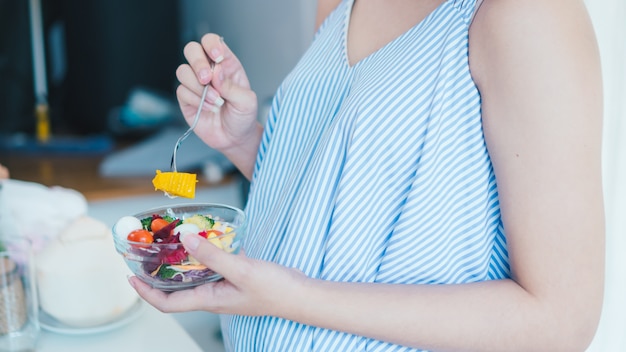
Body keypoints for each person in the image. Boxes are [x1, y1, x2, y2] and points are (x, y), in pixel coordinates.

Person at [129, 0, 605, 350]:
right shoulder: (337, 4)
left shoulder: (529, 14)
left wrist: (293, 299)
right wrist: (243, 141)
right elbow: (355, 193)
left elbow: (561, 322)